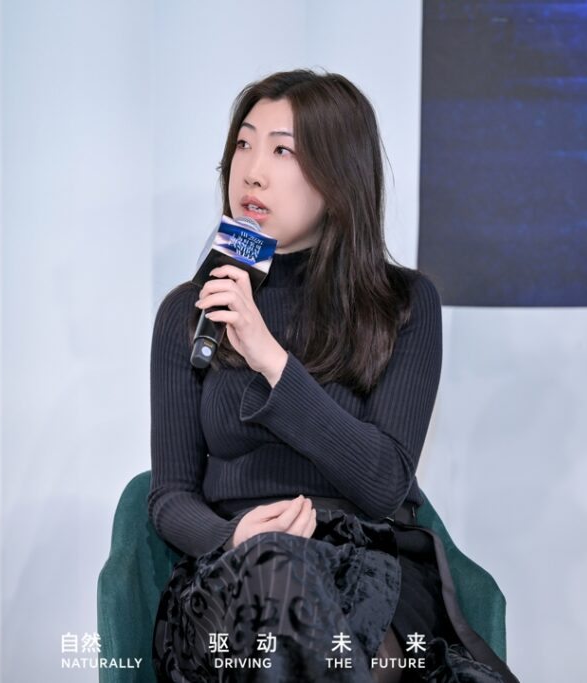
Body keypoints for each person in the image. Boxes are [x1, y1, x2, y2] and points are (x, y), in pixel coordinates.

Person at [148, 68, 520, 683]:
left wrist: (271, 359)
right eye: (244, 144)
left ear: (338, 174)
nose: (252, 172)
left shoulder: (402, 305)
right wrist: (233, 534)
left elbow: (384, 483)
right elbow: (169, 497)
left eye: (282, 151)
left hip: (368, 569)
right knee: (276, 577)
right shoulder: (191, 311)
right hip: (231, 578)